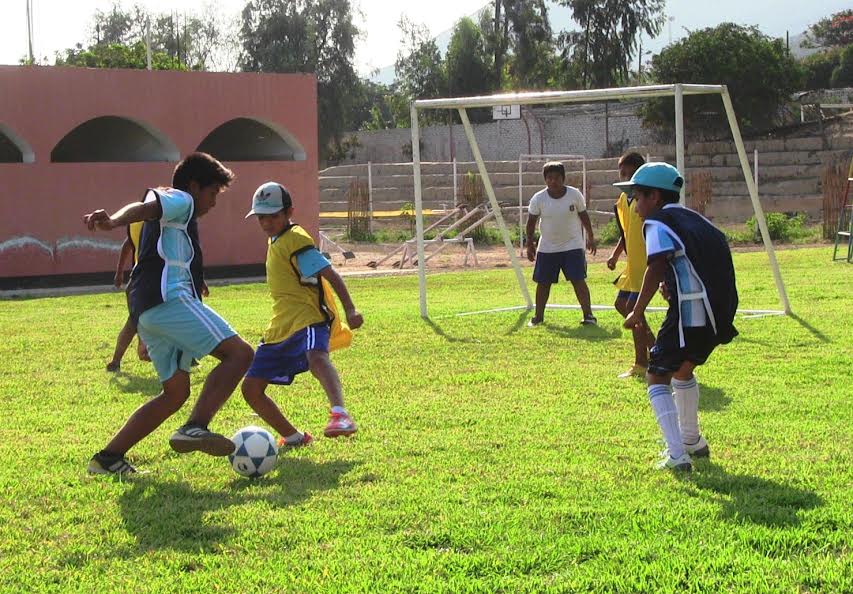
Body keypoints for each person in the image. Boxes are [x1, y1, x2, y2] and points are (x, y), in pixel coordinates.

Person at [83, 152, 255, 475]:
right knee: (241, 355)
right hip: (169, 301)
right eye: (213, 193)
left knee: (175, 393)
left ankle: (107, 459)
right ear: (193, 186)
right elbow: (147, 206)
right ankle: (195, 426)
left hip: (147, 311)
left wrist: (195, 282)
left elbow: (164, 241)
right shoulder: (181, 200)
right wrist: (114, 221)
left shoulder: (178, 221)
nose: (214, 203)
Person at [618, 162, 738, 471]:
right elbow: (706, 257)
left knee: (657, 374)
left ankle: (676, 455)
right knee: (683, 370)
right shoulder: (693, 218)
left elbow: (655, 264)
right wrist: (675, 285)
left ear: (654, 197)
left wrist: (637, 310)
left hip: (690, 313)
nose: (634, 205)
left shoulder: (657, 224)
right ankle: (692, 441)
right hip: (717, 313)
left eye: (637, 197)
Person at [241, 182, 364, 447]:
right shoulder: (276, 240)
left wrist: (350, 309)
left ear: (289, 212)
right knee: (250, 388)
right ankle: (294, 437)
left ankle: (340, 414)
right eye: (261, 217)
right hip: (281, 325)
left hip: (308, 318)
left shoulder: (296, 239)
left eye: (273, 216)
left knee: (317, 357)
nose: (267, 222)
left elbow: (328, 274)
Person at [525, 161, 597, 326]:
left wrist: (590, 237)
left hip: (573, 245)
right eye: (549, 178)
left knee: (578, 280)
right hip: (547, 247)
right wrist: (530, 244)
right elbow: (530, 223)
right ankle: (538, 318)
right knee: (543, 283)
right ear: (545, 180)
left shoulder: (574, 195)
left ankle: (588, 316)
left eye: (556, 177)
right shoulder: (538, 198)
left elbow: (584, 216)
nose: (553, 181)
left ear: (563, 178)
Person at [606, 152, 657, 378]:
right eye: (622, 173)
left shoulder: (645, 200)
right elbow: (626, 234)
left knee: (631, 309)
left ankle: (641, 363)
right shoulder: (621, 202)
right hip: (632, 266)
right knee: (621, 304)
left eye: (630, 173)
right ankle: (657, 348)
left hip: (646, 266)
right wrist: (616, 256)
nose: (625, 177)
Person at [106, 222, 150, 372]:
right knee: (134, 321)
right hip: (146, 279)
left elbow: (127, 244)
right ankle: (117, 360)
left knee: (134, 320)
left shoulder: (138, 222)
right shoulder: (156, 221)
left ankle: (116, 361)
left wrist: (119, 272)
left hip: (137, 279)